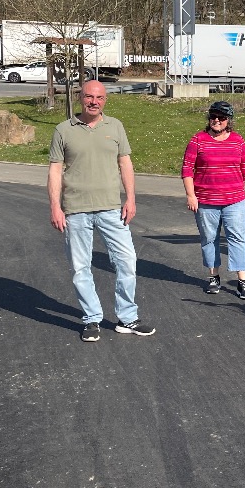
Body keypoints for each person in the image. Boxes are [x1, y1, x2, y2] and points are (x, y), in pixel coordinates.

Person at [48, 80, 155, 343]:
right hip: (76, 210)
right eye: (88, 96)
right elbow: (54, 171)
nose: (94, 101)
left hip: (111, 209)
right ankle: (91, 318)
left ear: (105, 100)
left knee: (127, 261)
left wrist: (130, 198)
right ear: (80, 97)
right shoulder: (64, 130)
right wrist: (55, 206)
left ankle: (127, 318)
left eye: (99, 97)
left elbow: (125, 163)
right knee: (80, 267)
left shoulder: (115, 126)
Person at [182, 100, 245, 300]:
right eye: (213, 117)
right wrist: (191, 195)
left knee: (238, 239)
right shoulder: (197, 140)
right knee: (209, 239)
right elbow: (187, 170)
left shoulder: (238, 141)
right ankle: (213, 277)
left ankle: (242, 280)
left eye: (221, 118)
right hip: (206, 201)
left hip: (235, 200)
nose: (216, 120)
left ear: (228, 121)